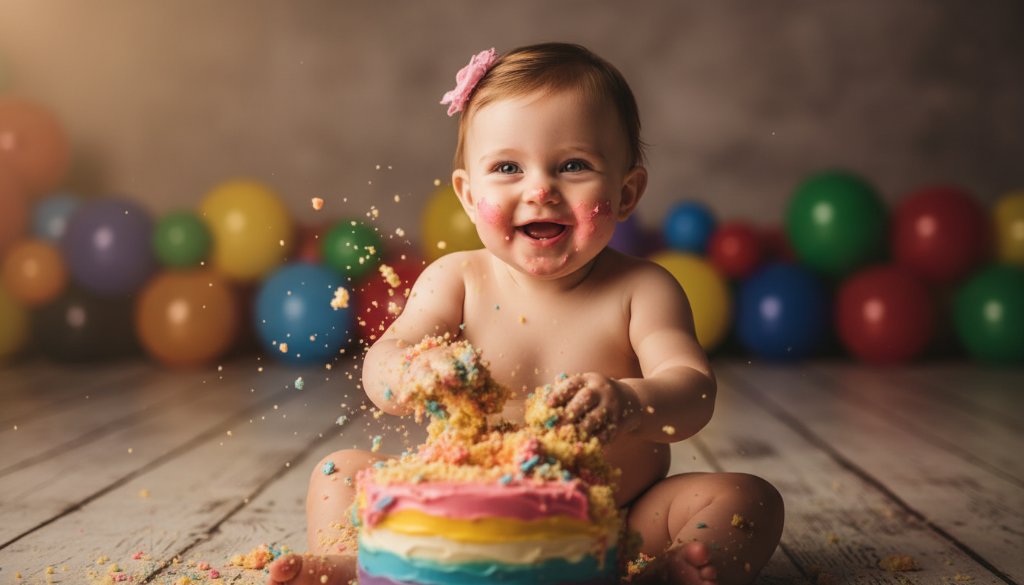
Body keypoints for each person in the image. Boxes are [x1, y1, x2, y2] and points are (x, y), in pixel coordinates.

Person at [269, 42, 784, 585]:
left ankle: (667, 572)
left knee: (747, 498)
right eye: (508, 167)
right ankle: (354, 559)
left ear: (626, 192)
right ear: (468, 196)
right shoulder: (456, 280)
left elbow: (693, 392)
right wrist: (411, 372)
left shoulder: (642, 289)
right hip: (457, 520)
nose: (540, 189)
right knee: (339, 471)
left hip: (613, 521)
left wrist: (631, 401)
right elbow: (384, 361)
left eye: (573, 166)